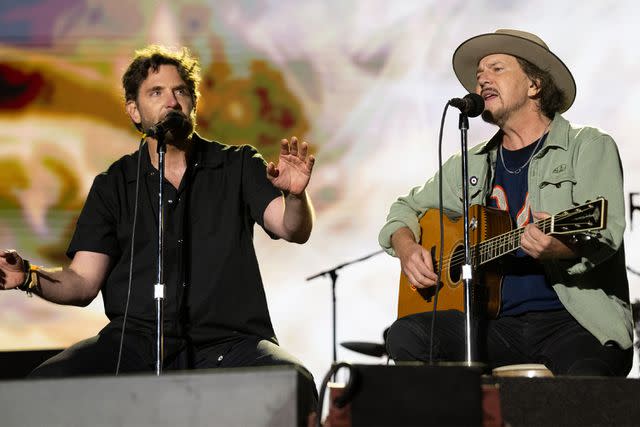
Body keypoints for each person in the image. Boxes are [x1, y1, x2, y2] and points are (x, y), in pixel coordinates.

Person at [0, 45, 318, 392]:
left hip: (228, 343)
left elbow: (291, 228)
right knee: (45, 384)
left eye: (180, 91)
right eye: (156, 92)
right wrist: (29, 276)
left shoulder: (238, 165)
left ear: (194, 103)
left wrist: (296, 195)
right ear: (134, 111)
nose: (172, 100)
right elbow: (82, 282)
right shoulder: (114, 185)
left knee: (294, 382)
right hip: (135, 343)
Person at [379, 29, 633, 376]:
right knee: (406, 335)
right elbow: (402, 211)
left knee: (580, 390)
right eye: (479, 74)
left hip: (573, 322)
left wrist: (560, 247)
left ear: (534, 85)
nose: (482, 79)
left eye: (496, 69)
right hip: (497, 326)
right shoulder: (471, 163)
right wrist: (408, 248)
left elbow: (604, 232)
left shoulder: (587, 146)